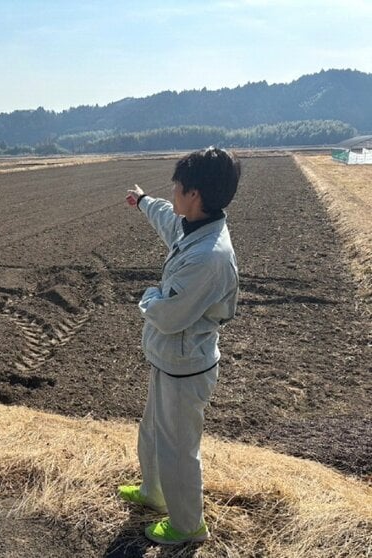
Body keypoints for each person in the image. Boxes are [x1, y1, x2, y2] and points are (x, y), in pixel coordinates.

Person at [118, 147, 241, 545]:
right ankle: (154, 494)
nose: (172, 191)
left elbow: (167, 314)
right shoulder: (194, 226)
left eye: (177, 186)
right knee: (154, 433)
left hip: (186, 365)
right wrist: (142, 202)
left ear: (196, 194)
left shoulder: (208, 257)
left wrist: (149, 295)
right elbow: (166, 220)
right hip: (171, 358)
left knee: (178, 448)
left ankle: (188, 526)